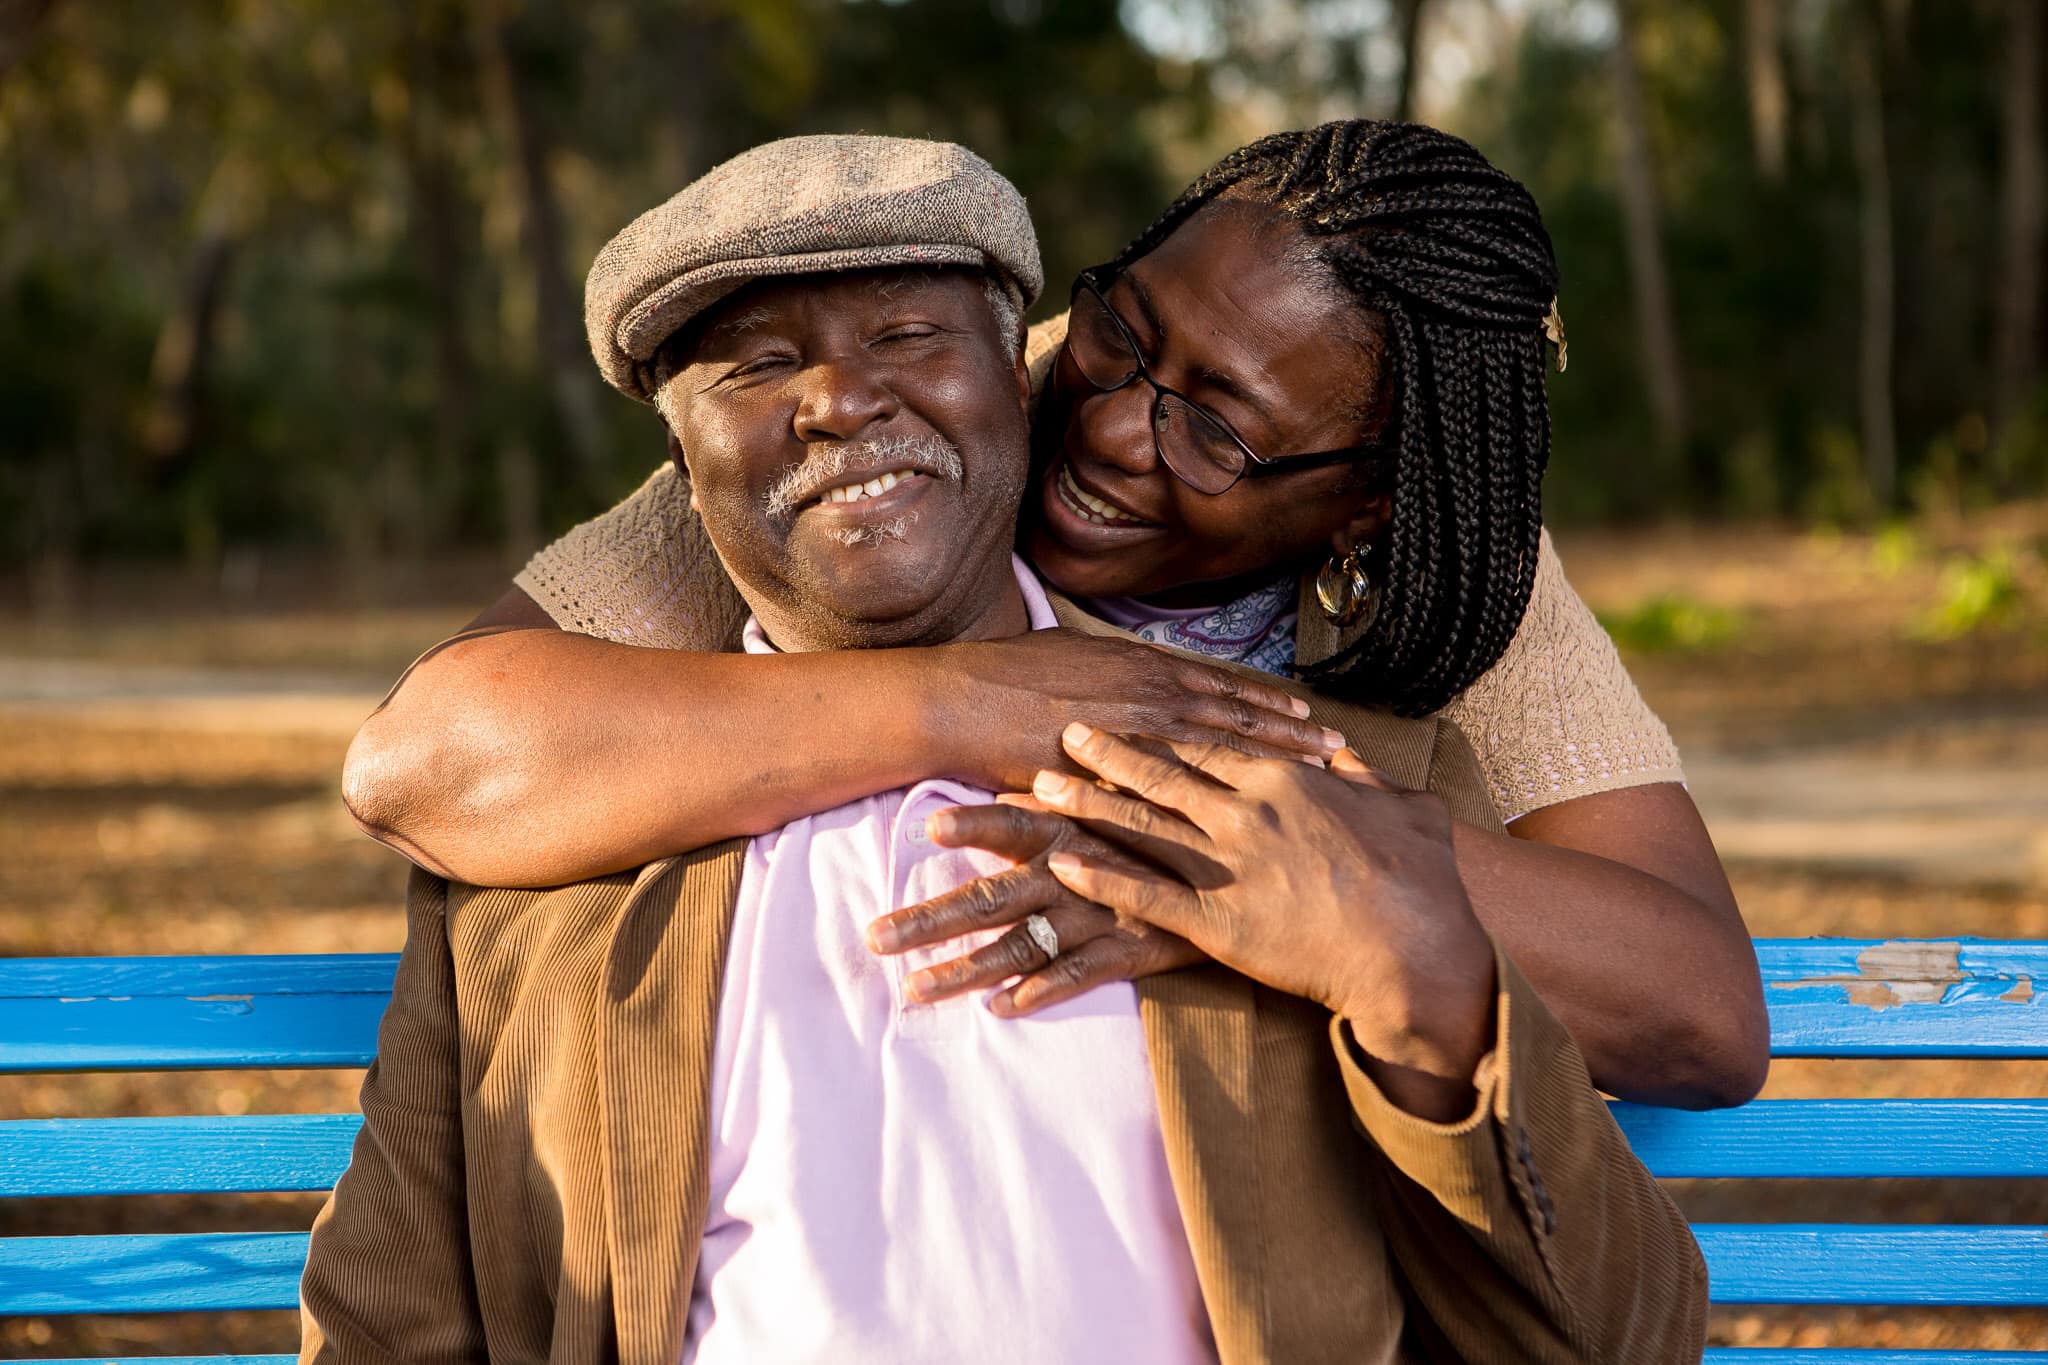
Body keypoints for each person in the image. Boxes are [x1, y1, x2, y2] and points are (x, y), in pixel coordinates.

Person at [299, 136, 1707, 1364]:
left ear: (1364, 509)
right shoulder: (582, 840)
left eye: (1216, 430)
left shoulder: (1375, 735)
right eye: (1117, 337)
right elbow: (420, 759)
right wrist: (970, 699)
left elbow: (1685, 1032)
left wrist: (1341, 906)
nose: (1103, 426)